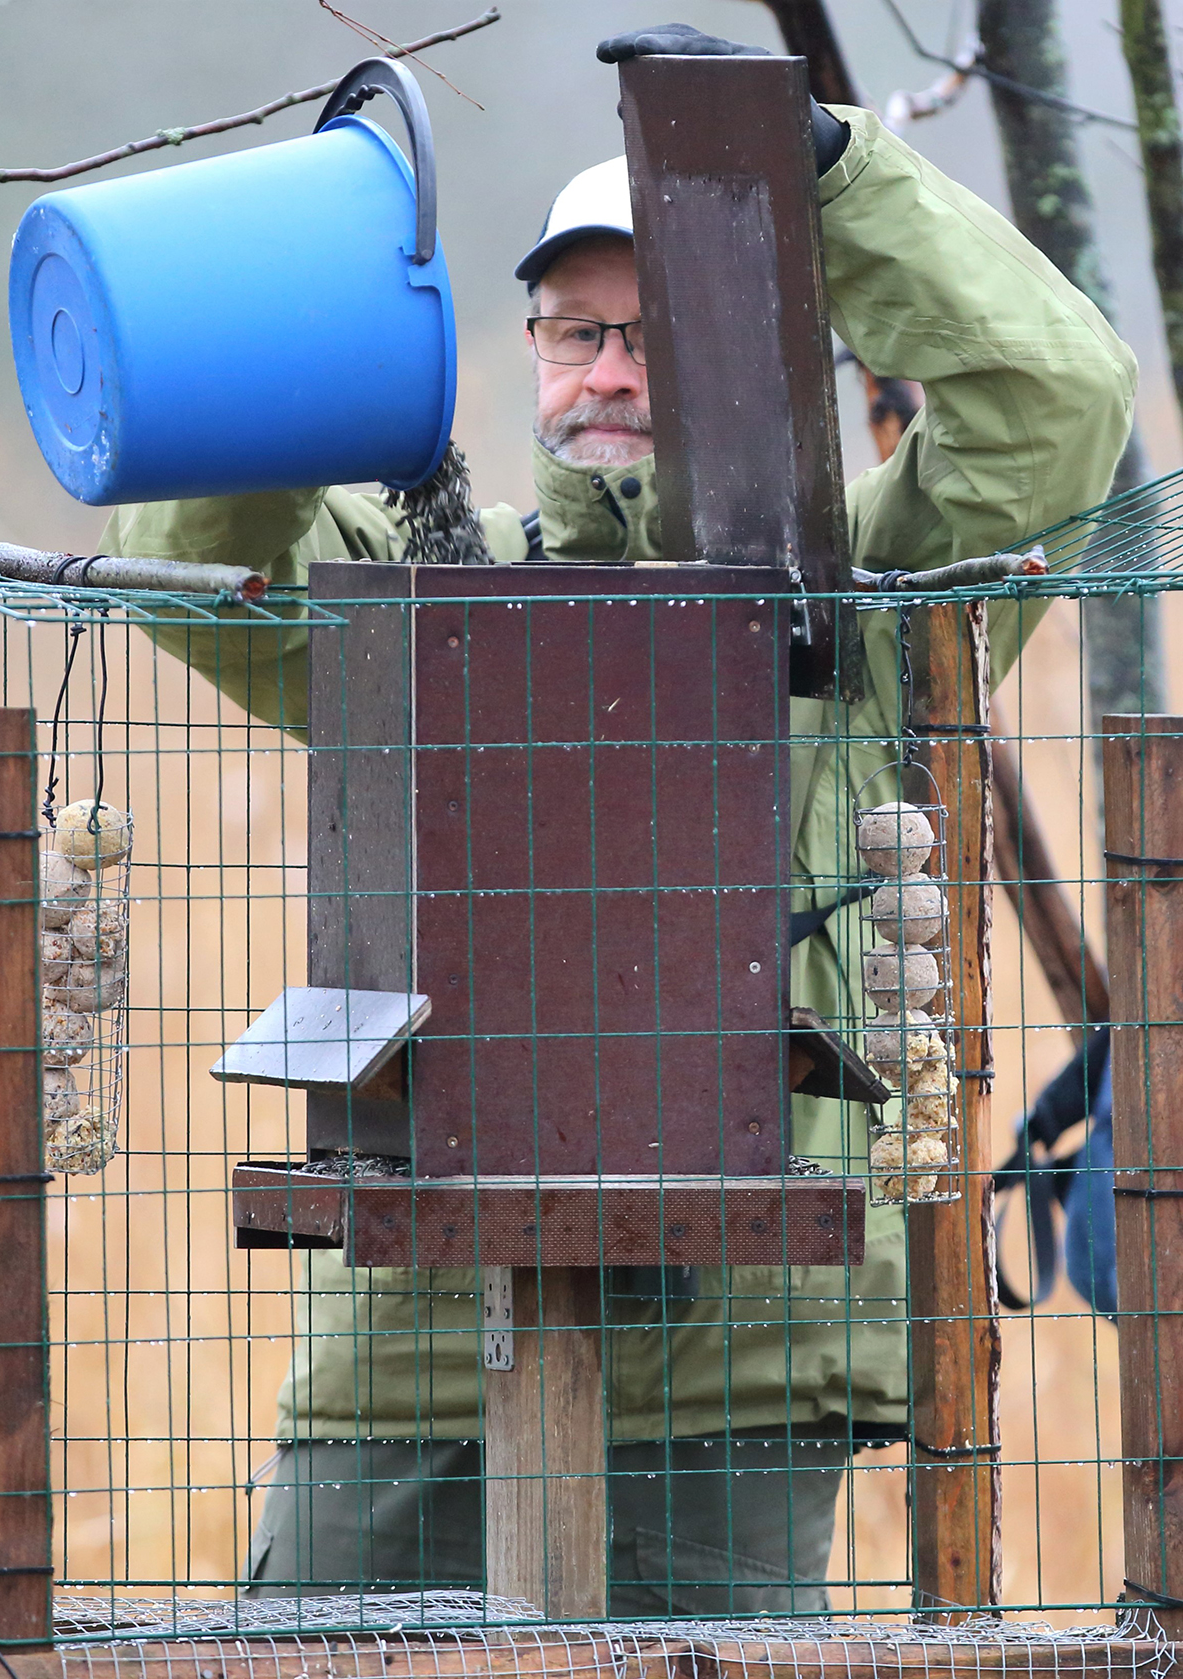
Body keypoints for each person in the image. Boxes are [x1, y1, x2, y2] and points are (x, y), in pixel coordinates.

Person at [100, 23, 1136, 1614]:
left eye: (663, 331)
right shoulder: (426, 586)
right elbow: (210, 549)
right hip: (422, 1342)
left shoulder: (861, 596)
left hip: (747, 1358)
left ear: (765, 345)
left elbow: (1054, 399)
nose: (610, 372)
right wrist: (312, 286)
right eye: (571, 332)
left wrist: (827, 179)